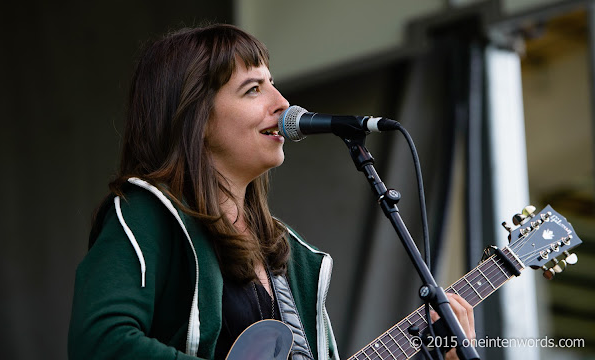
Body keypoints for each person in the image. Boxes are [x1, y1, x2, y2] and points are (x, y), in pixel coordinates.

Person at [68, 24, 475, 359]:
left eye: (274, 85)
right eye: (253, 89)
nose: (283, 104)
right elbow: (100, 342)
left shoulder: (290, 256)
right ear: (196, 118)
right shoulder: (148, 214)